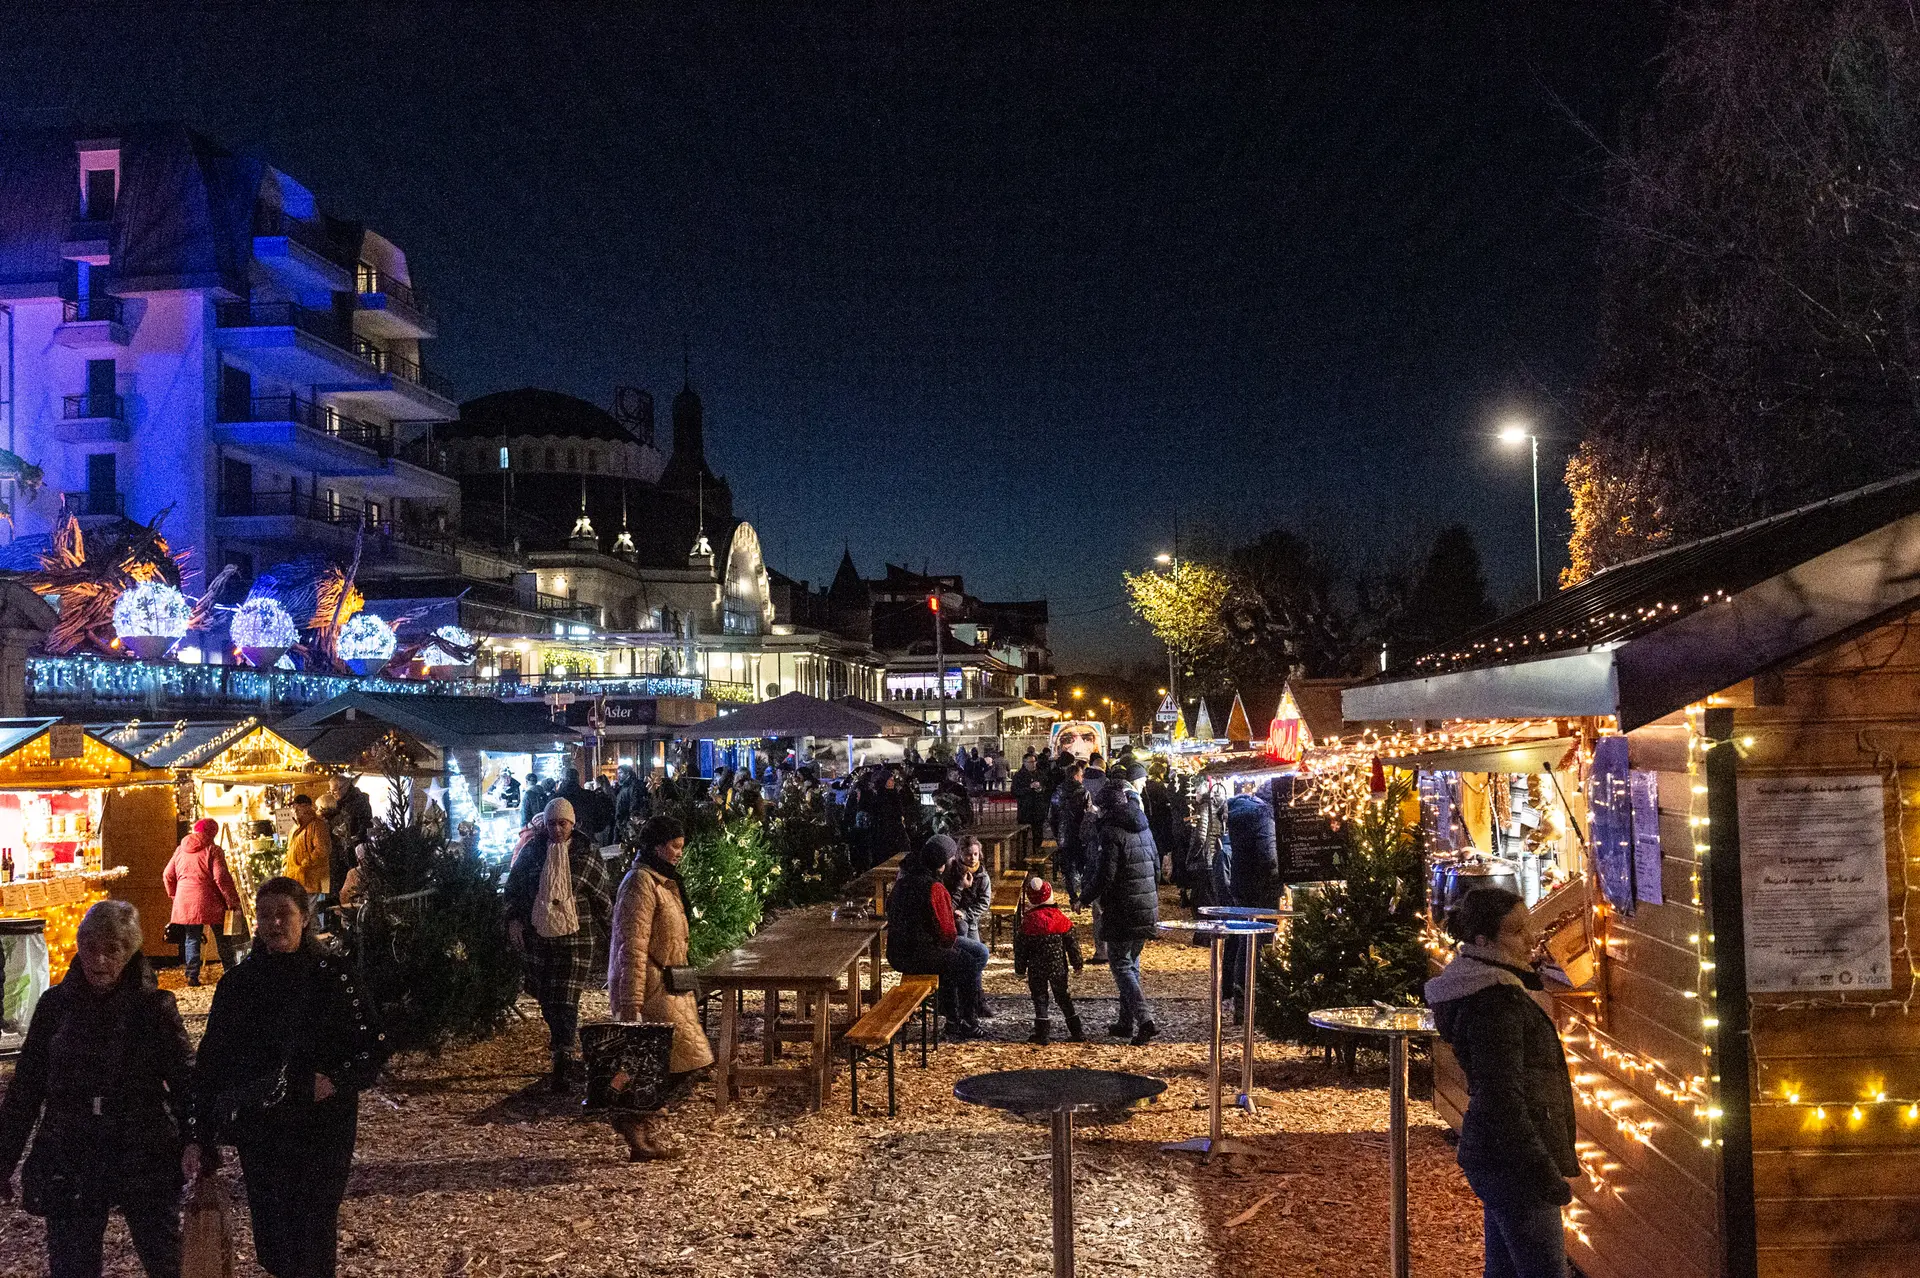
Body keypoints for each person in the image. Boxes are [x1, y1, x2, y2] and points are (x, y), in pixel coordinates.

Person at [186, 878, 386, 1278]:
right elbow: (212, 1064)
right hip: (263, 1126)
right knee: (275, 1232)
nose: (274, 923)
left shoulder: (333, 975)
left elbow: (373, 1045)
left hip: (321, 1125)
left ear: (304, 917)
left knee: (313, 1227)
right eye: (265, 915)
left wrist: (336, 1079)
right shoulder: (239, 984)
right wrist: (199, 1132)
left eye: (284, 914)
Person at [0, 901, 191, 1278]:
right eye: (90, 948)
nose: (99, 961)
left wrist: (197, 1140)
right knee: (72, 1260)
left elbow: (185, 1079)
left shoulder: (152, 1007)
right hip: (72, 1145)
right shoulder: (56, 1006)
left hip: (141, 1143)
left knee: (164, 1255)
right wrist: (4, 1157)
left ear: (130, 951)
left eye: (112, 950)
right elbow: (26, 1088)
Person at [1426, 887, 1578, 1278]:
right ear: (1482, 941)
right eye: (1516, 931)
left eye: (1528, 927)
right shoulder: (1495, 1001)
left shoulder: (1490, 984)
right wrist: (1543, 1171)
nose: (1531, 939)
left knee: (1506, 1270)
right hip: (1514, 1163)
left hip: (1498, 1157)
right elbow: (1502, 1098)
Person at [607, 815, 712, 1162]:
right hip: (652, 986)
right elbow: (631, 946)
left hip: (671, 982)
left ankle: (637, 1121)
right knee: (671, 1061)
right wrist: (630, 1001)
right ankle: (631, 1117)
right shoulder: (640, 883)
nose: (680, 853)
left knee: (670, 1062)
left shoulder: (662, 881)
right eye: (675, 846)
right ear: (657, 846)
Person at [504, 796, 613, 1090]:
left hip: (577, 936)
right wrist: (513, 917)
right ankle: (560, 1044)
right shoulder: (532, 853)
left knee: (564, 996)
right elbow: (514, 888)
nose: (556, 829)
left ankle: (562, 1055)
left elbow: (602, 897)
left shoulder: (586, 854)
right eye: (551, 823)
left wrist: (614, 935)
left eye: (562, 823)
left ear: (572, 823)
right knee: (547, 995)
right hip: (538, 934)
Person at [1083, 766, 1159, 1045]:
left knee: (1121, 966)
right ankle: (1126, 1022)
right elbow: (1158, 868)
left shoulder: (1111, 833)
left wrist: (1084, 897)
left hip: (1123, 909)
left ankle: (1145, 1019)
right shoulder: (1143, 826)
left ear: (1105, 809)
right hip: (1146, 904)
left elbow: (1105, 875)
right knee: (1132, 963)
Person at [884, 835, 989, 1038]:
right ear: (942, 864)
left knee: (958, 959)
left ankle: (954, 1018)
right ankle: (968, 1020)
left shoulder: (902, 881)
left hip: (897, 950)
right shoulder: (934, 887)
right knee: (965, 962)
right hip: (918, 952)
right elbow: (948, 933)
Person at [163, 817, 243, 986]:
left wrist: (174, 896)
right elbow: (221, 877)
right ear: (212, 832)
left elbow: (167, 875)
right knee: (222, 937)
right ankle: (230, 971)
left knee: (192, 937)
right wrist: (232, 901)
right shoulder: (213, 850)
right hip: (211, 899)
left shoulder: (180, 850)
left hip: (185, 899)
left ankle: (192, 975)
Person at [1223, 780, 1279, 1018]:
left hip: (1243, 885)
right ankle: (1247, 1002)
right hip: (1261, 888)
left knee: (1242, 942)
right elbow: (1269, 858)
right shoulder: (1264, 817)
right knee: (1254, 944)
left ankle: (1239, 999)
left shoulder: (1243, 813)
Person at [1013, 876, 1084, 1045]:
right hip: (1058, 966)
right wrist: (1077, 963)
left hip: (1036, 968)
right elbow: (1072, 944)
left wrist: (1020, 969)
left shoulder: (1028, 922)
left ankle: (1042, 1033)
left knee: (1039, 997)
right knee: (1063, 996)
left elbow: (1021, 949)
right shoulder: (1060, 919)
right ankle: (1077, 1030)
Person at [1048, 757, 1089, 906]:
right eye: (1081, 775)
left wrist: (1058, 833)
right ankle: (1084, 897)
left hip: (1064, 835)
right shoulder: (1083, 792)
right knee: (1084, 866)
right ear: (1076, 776)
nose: (1082, 777)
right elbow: (1089, 815)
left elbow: (1051, 817)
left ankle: (1073, 897)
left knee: (1068, 869)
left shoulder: (1057, 793)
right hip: (1080, 835)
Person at [944, 836, 992, 948]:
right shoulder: (950, 871)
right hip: (949, 917)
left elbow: (984, 902)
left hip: (970, 919)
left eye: (975, 854)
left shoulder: (982, 876)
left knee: (976, 951)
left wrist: (965, 914)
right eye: (968, 854)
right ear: (960, 853)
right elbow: (945, 897)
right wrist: (960, 887)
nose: (972, 858)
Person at [284, 793, 332, 900]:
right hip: (296, 879)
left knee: (309, 913)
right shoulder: (295, 827)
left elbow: (322, 850)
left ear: (305, 807)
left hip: (310, 879)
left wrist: (304, 865)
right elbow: (290, 849)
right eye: (293, 807)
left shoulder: (317, 825)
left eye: (296, 806)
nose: (294, 810)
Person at [867, 768, 911, 865]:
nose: (893, 782)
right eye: (890, 780)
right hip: (884, 834)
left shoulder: (894, 794)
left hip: (896, 832)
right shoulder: (879, 797)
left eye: (892, 780)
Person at [1012, 752, 1048, 831]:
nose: (1034, 764)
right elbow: (1015, 792)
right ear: (1024, 763)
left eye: (1035, 761)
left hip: (1038, 810)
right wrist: (1030, 787)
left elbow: (1046, 786)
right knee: (1023, 834)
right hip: (1025, 809)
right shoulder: (1019, 776)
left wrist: (1041, 789)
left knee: (1038, 834)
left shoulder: (1040, 774)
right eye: (1031, 762)